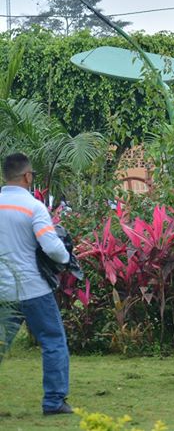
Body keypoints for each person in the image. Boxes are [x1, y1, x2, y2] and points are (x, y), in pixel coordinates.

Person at [0, 153, 72, 416]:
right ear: (28, 176)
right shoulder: (33, 207)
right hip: (33, 289)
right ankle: (54, 402)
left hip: (3, 291)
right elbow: (52, 247)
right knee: (53, 341)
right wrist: (66, 258)